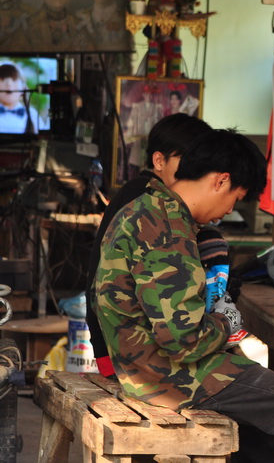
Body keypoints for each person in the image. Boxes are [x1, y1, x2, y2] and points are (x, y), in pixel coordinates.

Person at [94, 128, 274, 462]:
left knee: (266, 433)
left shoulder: (144, 206)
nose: (228, 211)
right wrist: (225, 322)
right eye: (235, 198)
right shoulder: (167, 229)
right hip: (168, 376)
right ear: (221, 181)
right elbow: (184, 342)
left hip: (141, 365)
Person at [85, 113, 213, 379]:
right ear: (159, 161)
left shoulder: (146, 194)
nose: (196, 172)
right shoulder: (147, 198)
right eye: (188, 162)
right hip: (127, 356)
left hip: (121, 347)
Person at [0, 62, 36, 134]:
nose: (9, 84)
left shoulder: (32, 114)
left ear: (23, 88)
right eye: (3, 79)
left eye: (14, 80)